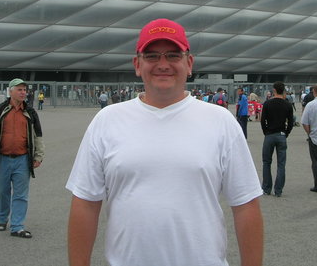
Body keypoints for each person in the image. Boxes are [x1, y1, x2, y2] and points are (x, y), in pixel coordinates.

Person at [66, 18, 263, 266]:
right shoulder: (107, 121)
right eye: (152, 56)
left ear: (189, 63)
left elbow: (246, 205)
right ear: (137, 64)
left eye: (172, 55)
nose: (163, 64)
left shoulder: (220, 121)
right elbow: (85, 203)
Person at [0, 78, 45, 238]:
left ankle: (17, 226)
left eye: (24, 90)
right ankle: (2, 219)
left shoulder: (30, 112)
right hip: (2, 159)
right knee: (2, 191)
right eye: (19, 90)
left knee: (21, 194)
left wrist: (39, 155)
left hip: (23, 159)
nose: (23, 92)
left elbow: (38, 136)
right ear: (10, 91)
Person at [261, 81, 294, 197]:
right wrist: (286, 133)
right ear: (283, 90)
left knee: (266, 162)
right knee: (281, 164)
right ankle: (278, 190)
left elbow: (262, 120)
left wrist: (266, 132)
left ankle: (266, 188)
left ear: (274, 90)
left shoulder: (267, 104)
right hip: (281, 135)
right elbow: (291, 122)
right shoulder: (287, 104)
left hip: (269, 135)